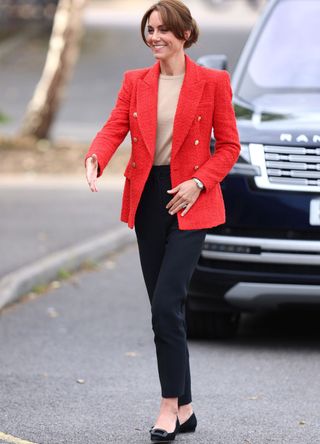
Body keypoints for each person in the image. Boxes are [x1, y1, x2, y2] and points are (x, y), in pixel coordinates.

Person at [85, 0, 240, 441]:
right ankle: (187, 408)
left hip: (192, 199)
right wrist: (97, 155)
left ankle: (168, 406)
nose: (154, 37)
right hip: (148, 199)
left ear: (185, 34)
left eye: (163, 30)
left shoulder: (213, 82)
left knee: (164, 304)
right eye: (149, 29)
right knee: (167, 308)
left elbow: (229, 145)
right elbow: (115, 126)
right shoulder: (135, 81)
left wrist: (199, 183)